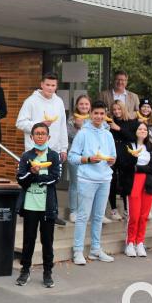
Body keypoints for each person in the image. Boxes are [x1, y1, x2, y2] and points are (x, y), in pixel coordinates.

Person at [16, 72, 68, 226]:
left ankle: (52, 212)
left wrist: (64, 148)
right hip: (35, 150)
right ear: (42, 84)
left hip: (54, 149)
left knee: (52, 182)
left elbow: (62, 125)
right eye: (48, 85)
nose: (50, 88)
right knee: (35, 181)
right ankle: (29, 211)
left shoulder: (58, 102)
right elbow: (20, 123)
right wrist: (40, 124)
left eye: (53, 85)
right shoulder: (31, 101)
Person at [68, 100, 117, 265]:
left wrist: (111, 161)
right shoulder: (83, 133)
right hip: (87, 178)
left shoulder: (108, 134)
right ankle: (78, 250)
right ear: (90, 114)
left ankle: (96, 249)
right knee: (83, 216)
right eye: (96, 113)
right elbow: (72, 157)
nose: (99, 116)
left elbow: (113, 156)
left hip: (104, 179)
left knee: (98, 216)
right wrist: (88, 159)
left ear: (105, 115)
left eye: (102, 113)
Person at [15, 123, 61, 288]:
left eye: (43, 133)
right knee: (28, 240)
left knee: (47, 241)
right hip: (30, 206)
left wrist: (36, 178)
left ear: (48, 137)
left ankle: (47, 272)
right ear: (31, 137)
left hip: (47, 206)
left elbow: (55, 178)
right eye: (37, 133)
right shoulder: (26, 156)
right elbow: (21, 179)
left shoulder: (54, 156)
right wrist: (33, 173)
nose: (40, 136)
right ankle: (25, 270)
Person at [123, 122, 152, 257]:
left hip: (148, 183)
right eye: (140, 128)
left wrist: (139, 168)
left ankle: (140, 242)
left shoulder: (151, 147)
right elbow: (124, 164)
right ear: (135, 131)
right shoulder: (128, 146)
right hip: (133, 183)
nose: (143, 131)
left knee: (144, 215)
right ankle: (130, 242)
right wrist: (134, 164)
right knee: (134, 215)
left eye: (145, 129)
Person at [107, 100, 137, 221]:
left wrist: (118, 128)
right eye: (114, 109)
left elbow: (133, 137)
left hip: (126, 154)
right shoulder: (109, 122)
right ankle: (113, 209)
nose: (117, 112)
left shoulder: (131, 122)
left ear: (123, 109)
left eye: (119, 109)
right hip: (113, 154)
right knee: (112, 181)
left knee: (127, 182)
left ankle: (126, 209)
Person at [66, 95, 91, 223]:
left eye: (86, 104)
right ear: (77, 105)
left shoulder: (93, 120)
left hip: (90, 157)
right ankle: (73, 211)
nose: (84, 106)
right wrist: (78, 127)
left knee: (87, 184)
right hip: (75, 156)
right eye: (81, 104)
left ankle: (84, 210)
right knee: (75, 183)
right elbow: (70, 137)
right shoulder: (71, 120)